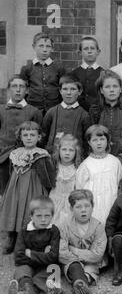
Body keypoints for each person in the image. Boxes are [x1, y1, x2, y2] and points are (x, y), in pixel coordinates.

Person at [0, 121, 55, 254]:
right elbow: (9, 172)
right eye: (25, 135)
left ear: (39, 137)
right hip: (15, 187)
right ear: (21, 137)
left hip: (33, 187)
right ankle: (11, 237)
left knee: (29, 210)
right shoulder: (15, 153)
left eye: (32, 135)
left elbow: (48, 176)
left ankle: (26, 240)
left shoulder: (41, 154)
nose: (29, 138)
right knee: (14, 209)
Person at [58, 189, 107, 294]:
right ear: (71, 209)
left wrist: (74, 250)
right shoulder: (65, 225)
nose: (83, 210)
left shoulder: (98, 226)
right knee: (75, 268)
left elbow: (97, 255)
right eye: (78, 207)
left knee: (89, 272)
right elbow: (62, 252)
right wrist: (78, 258)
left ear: (92, 207)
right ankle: (82, 290)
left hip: (92, 263)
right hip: (71, 261)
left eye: (87, 206)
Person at [8, 196, 59, 294]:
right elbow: (18, 257)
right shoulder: (24, 230)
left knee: (54, 269)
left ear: (52, 216)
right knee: (21, 270)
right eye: (39, 216)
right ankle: (26, 287)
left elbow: (53, 256)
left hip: (45, 266)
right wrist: (44, 256)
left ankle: (28, 291)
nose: (43, 219)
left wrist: (31, 254)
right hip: (28, 264)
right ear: (31, 216)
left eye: (47, 216)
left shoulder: (54, 231)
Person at [0, 75, 42, 194]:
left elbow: (39, 137)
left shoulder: (34, 111)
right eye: (14, 86)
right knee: (3, 193)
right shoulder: (1, 110)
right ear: (9, 89)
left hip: (25, 161)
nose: (18, 90)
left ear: (27, 90)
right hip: (2, 159)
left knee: (22, 193)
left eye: (21, 86)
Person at [76, 125, 122, 224]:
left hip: (111, 201)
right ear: (89, 142)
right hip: (94, 205)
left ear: (107, 140)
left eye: (102, 139)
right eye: (95, 140)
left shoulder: (115, 162)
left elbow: (118, 181)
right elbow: (80, 188)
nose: (99, 143)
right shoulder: (86, 165)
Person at [42, 74, 91, 153]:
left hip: (75, 158)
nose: (68, 93)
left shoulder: (84, 115)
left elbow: (87, 141)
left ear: (79, 91)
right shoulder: (52, 112)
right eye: (65, 89)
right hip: (52, 156)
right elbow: (43, 136)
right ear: (60, 91)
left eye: (73, 89)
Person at [20, 32, 66, 115]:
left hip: (54, 109)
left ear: (52, 48)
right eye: (41, 46)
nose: (44, 49)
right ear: (34, 47)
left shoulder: (59, 68)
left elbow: (63, 89)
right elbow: (23, 91)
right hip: (33, 109)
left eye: (48, 46)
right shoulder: (27, 68)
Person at [95, 70, 122, 156]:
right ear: (101, 90)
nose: (112, 90)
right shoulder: (96, 110)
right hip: (101, 155)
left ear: (120, 89)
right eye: (107, 87)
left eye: (115, 86)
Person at [49, 134, 82, 227]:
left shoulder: (78, 169)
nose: (67, 153)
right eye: (64, 149)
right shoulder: (54, 166)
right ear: (58, 150)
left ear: (76, 152)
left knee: (68, 225)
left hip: (70, 203)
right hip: (54, 200)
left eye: (71, 150)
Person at [70, 36, 104, 117]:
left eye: (92, 48)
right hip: (78, 114)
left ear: (98, 52)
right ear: (80, 52)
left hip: (98, 114)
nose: (89, 51)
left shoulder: (103, 73)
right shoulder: (73, 74)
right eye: (86, 49)